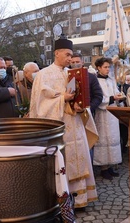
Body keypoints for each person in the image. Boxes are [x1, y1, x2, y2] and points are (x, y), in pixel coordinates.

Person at [29, 37, 98, 209]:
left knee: (79, 158)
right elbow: (40, 106)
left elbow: (81, 98)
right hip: (59, 128)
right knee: (61, 163)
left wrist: (80, 106)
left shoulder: (72, 74)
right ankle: (60, 201)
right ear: (56, 53)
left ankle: (80, 199)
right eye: (67, 55)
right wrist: (63, 99)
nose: (69, 59)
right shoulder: (43, 75)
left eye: (71, 55)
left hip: (75, 123)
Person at [93, 57, 124, 180]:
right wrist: (112, 99)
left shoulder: (111, 80)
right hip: (102, 115)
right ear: (99, 68)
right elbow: (97, 98)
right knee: (104, 140)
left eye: (109, 67)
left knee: (113, 139)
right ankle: (103, 168)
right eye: (105, 67)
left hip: (113, 115)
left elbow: (116, 92)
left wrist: (121, 98)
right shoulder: (95, 81)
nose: (107, 69)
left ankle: (110, 165)